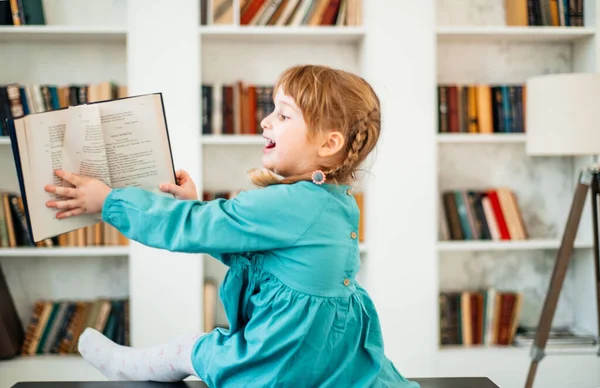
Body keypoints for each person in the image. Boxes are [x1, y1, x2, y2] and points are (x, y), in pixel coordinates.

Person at [44, 64, 420, 388]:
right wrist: (196, 206)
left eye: (284, 115)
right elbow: (258, 257)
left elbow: (186, 226)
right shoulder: (334, 201)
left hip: (286, 353)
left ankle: (124, 369)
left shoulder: (288, 202)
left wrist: (109, 201)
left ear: (329, 144)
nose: (265, 120)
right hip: (326, 352)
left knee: (193, 349)